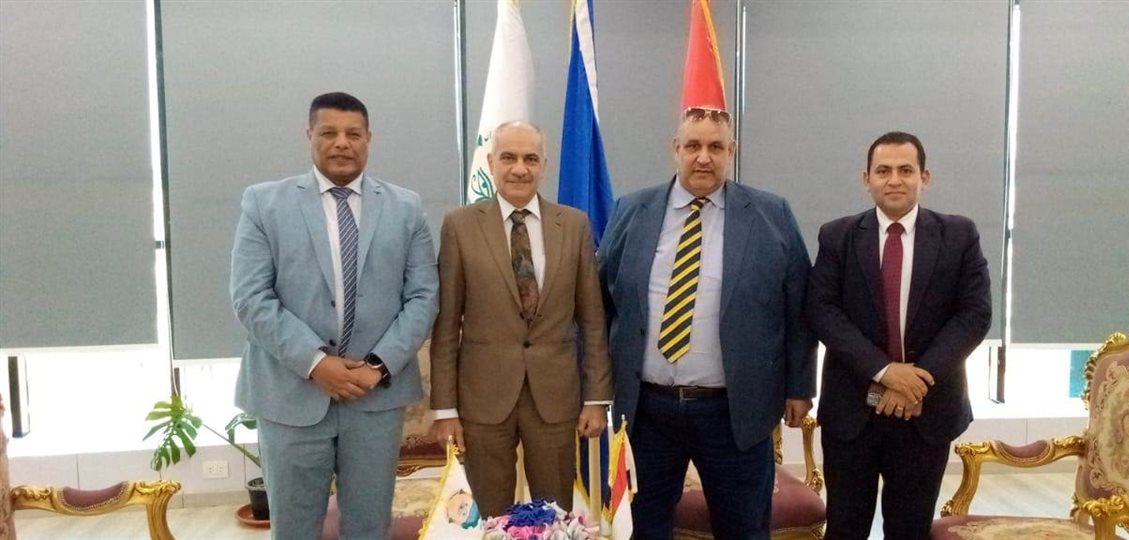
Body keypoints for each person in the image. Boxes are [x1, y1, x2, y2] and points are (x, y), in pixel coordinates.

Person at [597, 106, 817, 539]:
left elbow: (799, 308)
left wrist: (799, 387)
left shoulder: (771, 215)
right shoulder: (631, 210)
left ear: (731, 152)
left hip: (734, 412)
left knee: (744, 528)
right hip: (647, 410)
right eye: (693, 146)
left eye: (716, 147)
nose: (703, 157)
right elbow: (599, 300)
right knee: (641, 528)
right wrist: (596, 388)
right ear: (675, 149)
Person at [230, 92, 438, 539]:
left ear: (369, 139)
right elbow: (250, 297)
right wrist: (317, 363)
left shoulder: (406, 208)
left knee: (369, 527)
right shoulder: (264, 204)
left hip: (374, 397)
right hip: (291, 395)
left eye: (353, 134)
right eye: (329, 132)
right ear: (309, 135)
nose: (342, 142)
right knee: (295, 530)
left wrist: (377, 366)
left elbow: (424, 297)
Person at [807, 131, 991, 539]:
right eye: (883, 171)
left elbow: (974, 314)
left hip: (927, 411)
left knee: (910, 529)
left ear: (925, 177)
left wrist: (916, 380)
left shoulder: (959, 235)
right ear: (866, 179)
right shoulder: (837, 237)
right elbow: (823, 311)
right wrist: (886, 371)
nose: (894, 180)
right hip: (852, 412)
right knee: (845, 528)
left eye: (905, 170)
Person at [428, 121, 611, 518]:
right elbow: (446, 326)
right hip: (483, 400)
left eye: (530, 159)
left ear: (544, 164)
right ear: (491, 162)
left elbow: (593, 321)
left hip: (555, 398)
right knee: (490, 517)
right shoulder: (460, 226)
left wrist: (596, 398)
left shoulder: (574, 225)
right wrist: (445, 409)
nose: (519, 169)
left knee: (554, 516)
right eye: (508, 158)